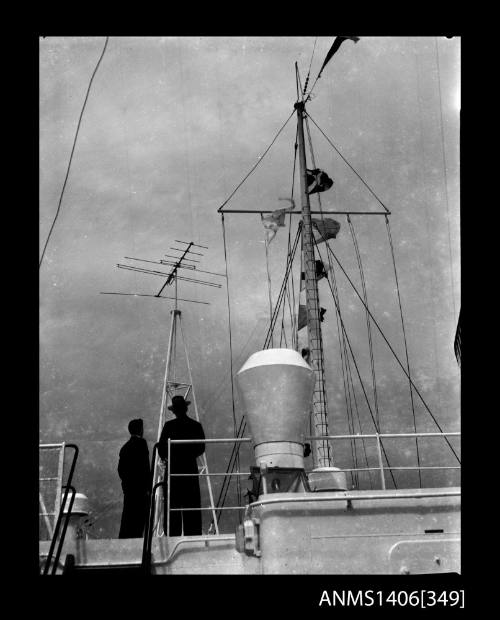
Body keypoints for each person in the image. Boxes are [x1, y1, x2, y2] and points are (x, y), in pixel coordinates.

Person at [158, 395, 205, 536]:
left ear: (174, 411)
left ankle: (173, 536)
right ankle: (193, 535)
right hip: (190, 470)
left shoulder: (169, 426)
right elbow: (201, 448)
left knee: (173, 507)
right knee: (192, 506)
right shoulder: (196, 426)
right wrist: (188, 454)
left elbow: (161, 449)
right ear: (185, 408)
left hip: (174, 471)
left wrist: (171, 456)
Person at [118, 418, 150, 538]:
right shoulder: (142, 443)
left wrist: (126, 484)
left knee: (128, 516)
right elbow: (145, 467)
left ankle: (125, 539)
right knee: (140, 519)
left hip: (129, 489)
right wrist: (148, 487)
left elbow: (120, 470)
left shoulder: (125, 447)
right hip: (141, 489)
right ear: (140, 430)